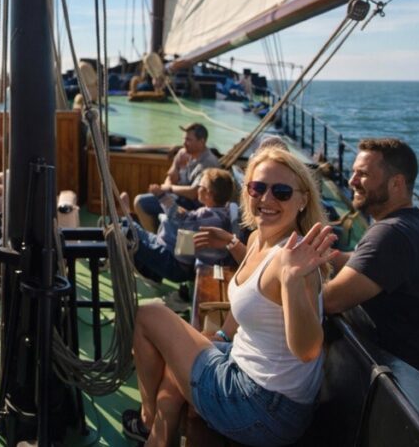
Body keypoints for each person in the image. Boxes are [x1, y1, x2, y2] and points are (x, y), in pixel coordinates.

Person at [125, 147, 337, 446]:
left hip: (263, 407)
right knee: (172, 381)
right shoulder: (257, 239)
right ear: (246, 190)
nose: (266, 199)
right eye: (257, 187)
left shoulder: (292, 260)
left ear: (303, 200)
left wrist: (291, 280)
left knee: (148, 316)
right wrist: (233, 245)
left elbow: (308, 350)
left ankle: (148, 422)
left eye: (281, 192)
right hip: (253, 378)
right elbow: (256, 291)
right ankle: (160, 433)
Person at [323, 138, 419, 373]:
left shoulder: (391, 234)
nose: (352, 182)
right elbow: (365, 262)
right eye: (353, 173)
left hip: (381, 376)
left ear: (396, 183)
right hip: (400, 368)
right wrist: (320, 255)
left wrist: (289, 271)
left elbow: (330, 301)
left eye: (363, 174)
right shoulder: (414, 222)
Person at [125, 168, 247, 284]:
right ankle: (127, 219)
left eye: (200, 186)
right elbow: (187, 224)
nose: (197, 188)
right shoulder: (222, 213)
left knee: (128, 233)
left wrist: (161, 196)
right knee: (132, 230)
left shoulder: (206, 216)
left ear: (208, 194)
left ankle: (125, 217)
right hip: (178, 258)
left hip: (174, 264)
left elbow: (178, 221)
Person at [133, 123, 220, 232]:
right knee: (144, 201)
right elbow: (170, 176)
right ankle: (155, 234)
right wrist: (168, 183)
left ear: (202, 142)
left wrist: (168, 189)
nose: (184, 143)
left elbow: (194, 193)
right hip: (179, 197)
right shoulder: (184, 153)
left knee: (140, 202)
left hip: (194, 206)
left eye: (189, 140)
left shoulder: (208, 162)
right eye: (184, 139)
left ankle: (154, 236)